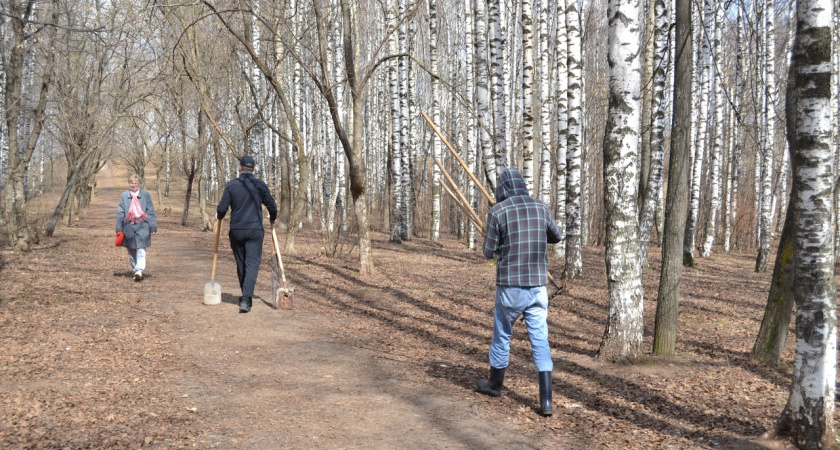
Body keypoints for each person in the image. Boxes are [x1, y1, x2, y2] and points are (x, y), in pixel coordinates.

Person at [478, 168, 562, 416]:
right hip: (537, 288)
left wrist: (501, 239)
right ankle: (546, 401)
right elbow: (556, 237)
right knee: (540, 340)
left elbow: (488, 252)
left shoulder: (498, 211)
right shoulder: (541, 207)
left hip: (511, 288)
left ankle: (495, 385)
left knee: (503, 334)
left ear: (502, 188)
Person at [216, 155, 277, 313]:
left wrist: (220, 216)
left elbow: (222, 209)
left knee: (241, 262)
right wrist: (273, 217)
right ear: (254, 168)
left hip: (236, 230)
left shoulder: (232, 185)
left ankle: (245, 295)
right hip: (254, 230)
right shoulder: (260, 185)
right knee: (252, 264)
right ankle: (246, 298)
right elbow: (272, 206)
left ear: (240, 167)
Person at [116, 174, 158, 282]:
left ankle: (139, 270)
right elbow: (120, 213)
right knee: (131, 251)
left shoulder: (146, 195)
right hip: (128, 226)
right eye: (131, 183)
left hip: (142, 226)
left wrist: (153, 227)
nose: (133, 185)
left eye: (135, 183)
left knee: (141, 249)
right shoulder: (124, 196)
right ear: (129, 183)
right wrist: (118, 228)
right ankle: (136, 271)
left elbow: (150, 211)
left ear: (139, 184)